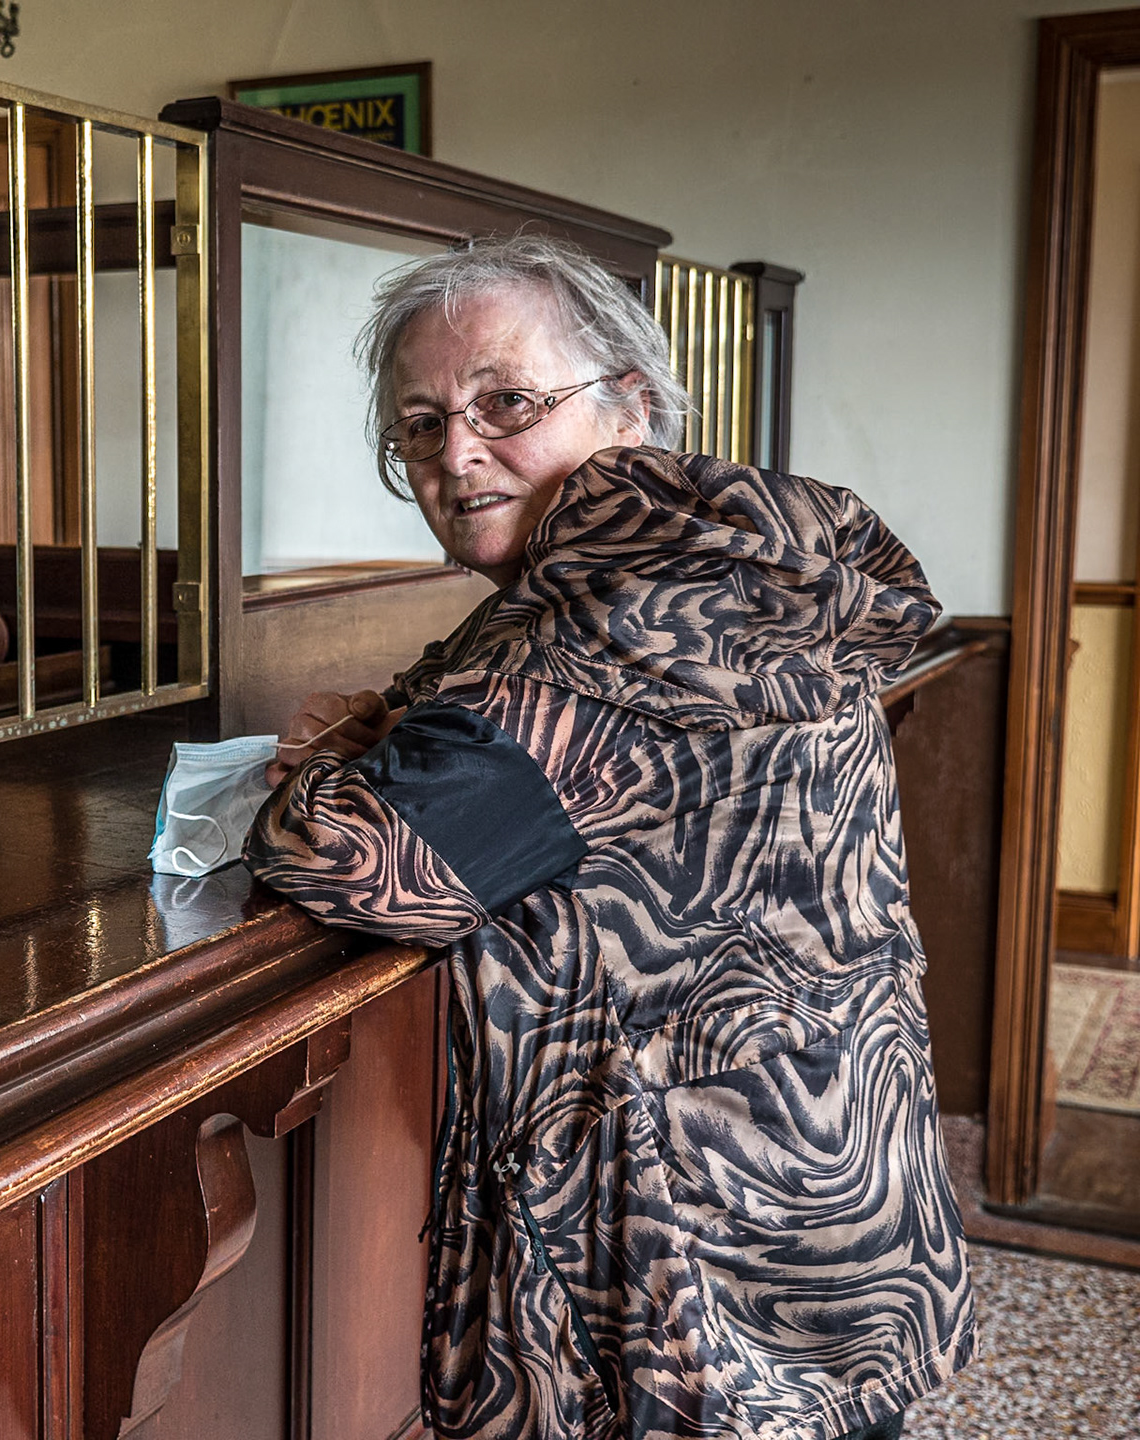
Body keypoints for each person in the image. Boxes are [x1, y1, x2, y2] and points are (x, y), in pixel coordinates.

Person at [244, 235, 973, 1440]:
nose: (458, 453)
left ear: (629, 405)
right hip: (829, 1176)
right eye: (420, 426)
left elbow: (352, 859)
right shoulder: (717, 557)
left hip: (688, 1274)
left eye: (507, 403)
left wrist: (332, 755)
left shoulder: (607, 624)